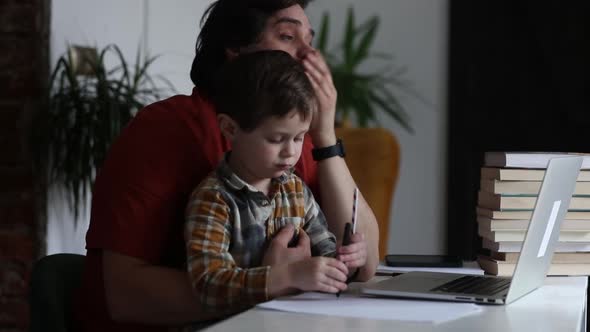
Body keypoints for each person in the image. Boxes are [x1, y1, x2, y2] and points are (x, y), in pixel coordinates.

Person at [75, 0, 379, 331]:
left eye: (311, 40)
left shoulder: (295, 144)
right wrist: (274, 281)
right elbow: (124, 296)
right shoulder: (165, 129)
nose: (310, 56)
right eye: (288, 37)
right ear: (235, 46)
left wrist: (325, 136)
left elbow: (367, 264)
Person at [185, 50, 351, 323]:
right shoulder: (214, 199)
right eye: (276, 139)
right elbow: (208, 283)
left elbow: (326, 253)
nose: (290, 152)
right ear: (229, 129)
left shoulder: (294, 189)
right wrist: (288, 276)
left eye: (299, 138)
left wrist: (347, 260)